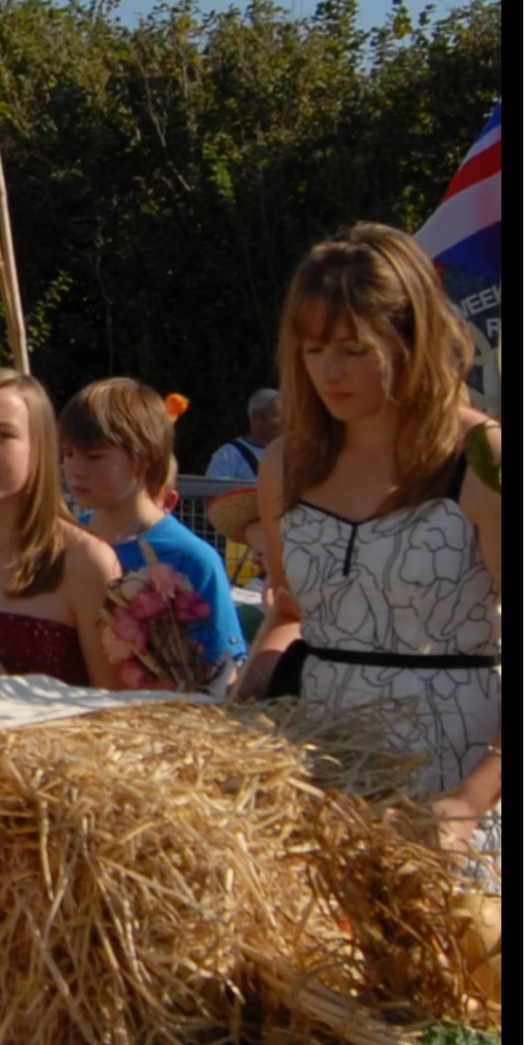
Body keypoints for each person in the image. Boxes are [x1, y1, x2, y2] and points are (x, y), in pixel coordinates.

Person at [231, 226, 500, 853]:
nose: (329, 370)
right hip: (319, 773)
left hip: (445, 790)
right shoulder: (283, 466)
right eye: (314, 348)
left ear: (412, 340)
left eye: (353, 348)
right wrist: (244, 703)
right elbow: (292, 613)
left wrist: (470, 800)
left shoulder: (482, 456)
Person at [57, 377, 247, 694]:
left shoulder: (191, 559)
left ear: (144, 458)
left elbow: (222, 671)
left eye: (93, 455)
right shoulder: (64, 543)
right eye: (67, 453)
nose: (75, 469)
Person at [0, 368, 122, 687]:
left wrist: (14, 696)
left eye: (3, 435)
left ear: (39, 447)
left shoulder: (86, 561)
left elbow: (115, 708)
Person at [207, 389, 282, 485]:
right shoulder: (228, 456)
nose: (284, 422)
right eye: (277, 415)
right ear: (257, 418)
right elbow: (214, 494)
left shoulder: (291, 455)